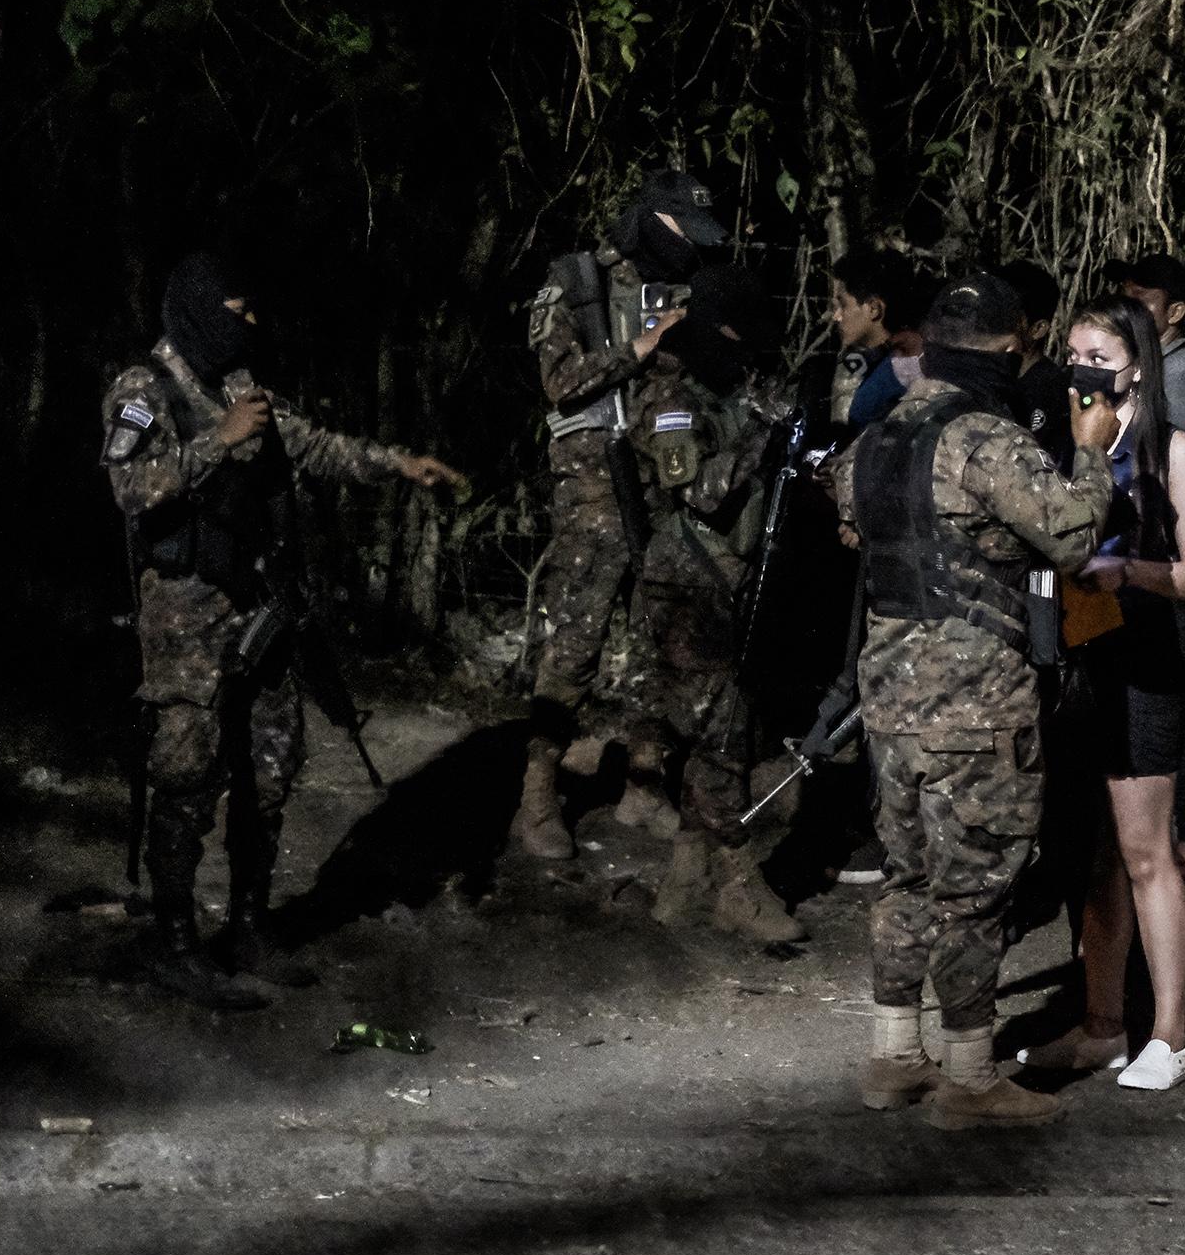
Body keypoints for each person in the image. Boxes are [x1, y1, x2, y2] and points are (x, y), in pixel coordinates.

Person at [103, 253, 465, 1008]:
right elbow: (132, 489)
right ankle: (173, 940)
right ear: (202, 309)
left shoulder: (241, 383)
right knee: (186, 776)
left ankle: (246, 924)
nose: (251, 324)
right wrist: (217, 441)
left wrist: (397, 464)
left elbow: (311, 445)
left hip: (257, 607)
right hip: (184, 617)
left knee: (270, 764)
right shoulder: (145, 388)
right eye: (238, 308)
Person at [842, 273, 1118, 1128]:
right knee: (974, 890)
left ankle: (894, 1054)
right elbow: (1072, 535)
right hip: (975, 700)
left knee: (905, 876)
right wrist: (1095, 445)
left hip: (887, 693)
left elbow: (854, 526)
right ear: (1002, 349)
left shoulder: (877, 438)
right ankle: (969, 1074)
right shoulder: (986, 442)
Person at [1016, 297, 1185, 1091]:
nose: (1082, 369)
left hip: (1141, 658)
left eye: (1098, 355)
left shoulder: (1174, 451)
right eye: (1073, 352)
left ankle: (1170, 1034)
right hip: (1070, 661)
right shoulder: (1063, 443)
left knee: (1145, 853)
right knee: (1089, 857)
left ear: (1135, 363)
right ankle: (1102, 1024)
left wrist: (1127, 571)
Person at [513, 168, 726, 859]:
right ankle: (537, 795)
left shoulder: (687, 289)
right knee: (575, 642)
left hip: (662, 482)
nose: (689, 248)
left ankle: (644, 780)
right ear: (645, 221)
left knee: (654, 639)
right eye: (678, 231)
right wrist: (638, 348)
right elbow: (560, 384)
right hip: (594, 489)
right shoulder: (577, 281)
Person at [620, 263, 804, 945]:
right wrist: (765, 436)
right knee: (720, 737)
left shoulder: (740, 383)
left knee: (724, 727)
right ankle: (736, 881)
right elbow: (695, 490)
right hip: (689, 587)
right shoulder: (670, 392)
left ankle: (682, 881)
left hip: (737, 578)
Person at [834, 251, 939, 431]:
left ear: (874, 308)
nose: (837, 316)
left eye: (843, 305)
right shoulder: (934, 351)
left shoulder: (873, 396)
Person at [1119, 253, 1185, 444]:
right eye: (1124, 301)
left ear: (1175, 312)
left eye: (1138, 304)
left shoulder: (1177, 378)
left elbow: (1171, 464)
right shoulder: (1155, 364)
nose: (1124, 311)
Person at [991, 259, 1075, 468]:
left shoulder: (1051, 391)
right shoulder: (987, 376)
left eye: (1003, 318)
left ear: (1038, 329)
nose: (988, 327)